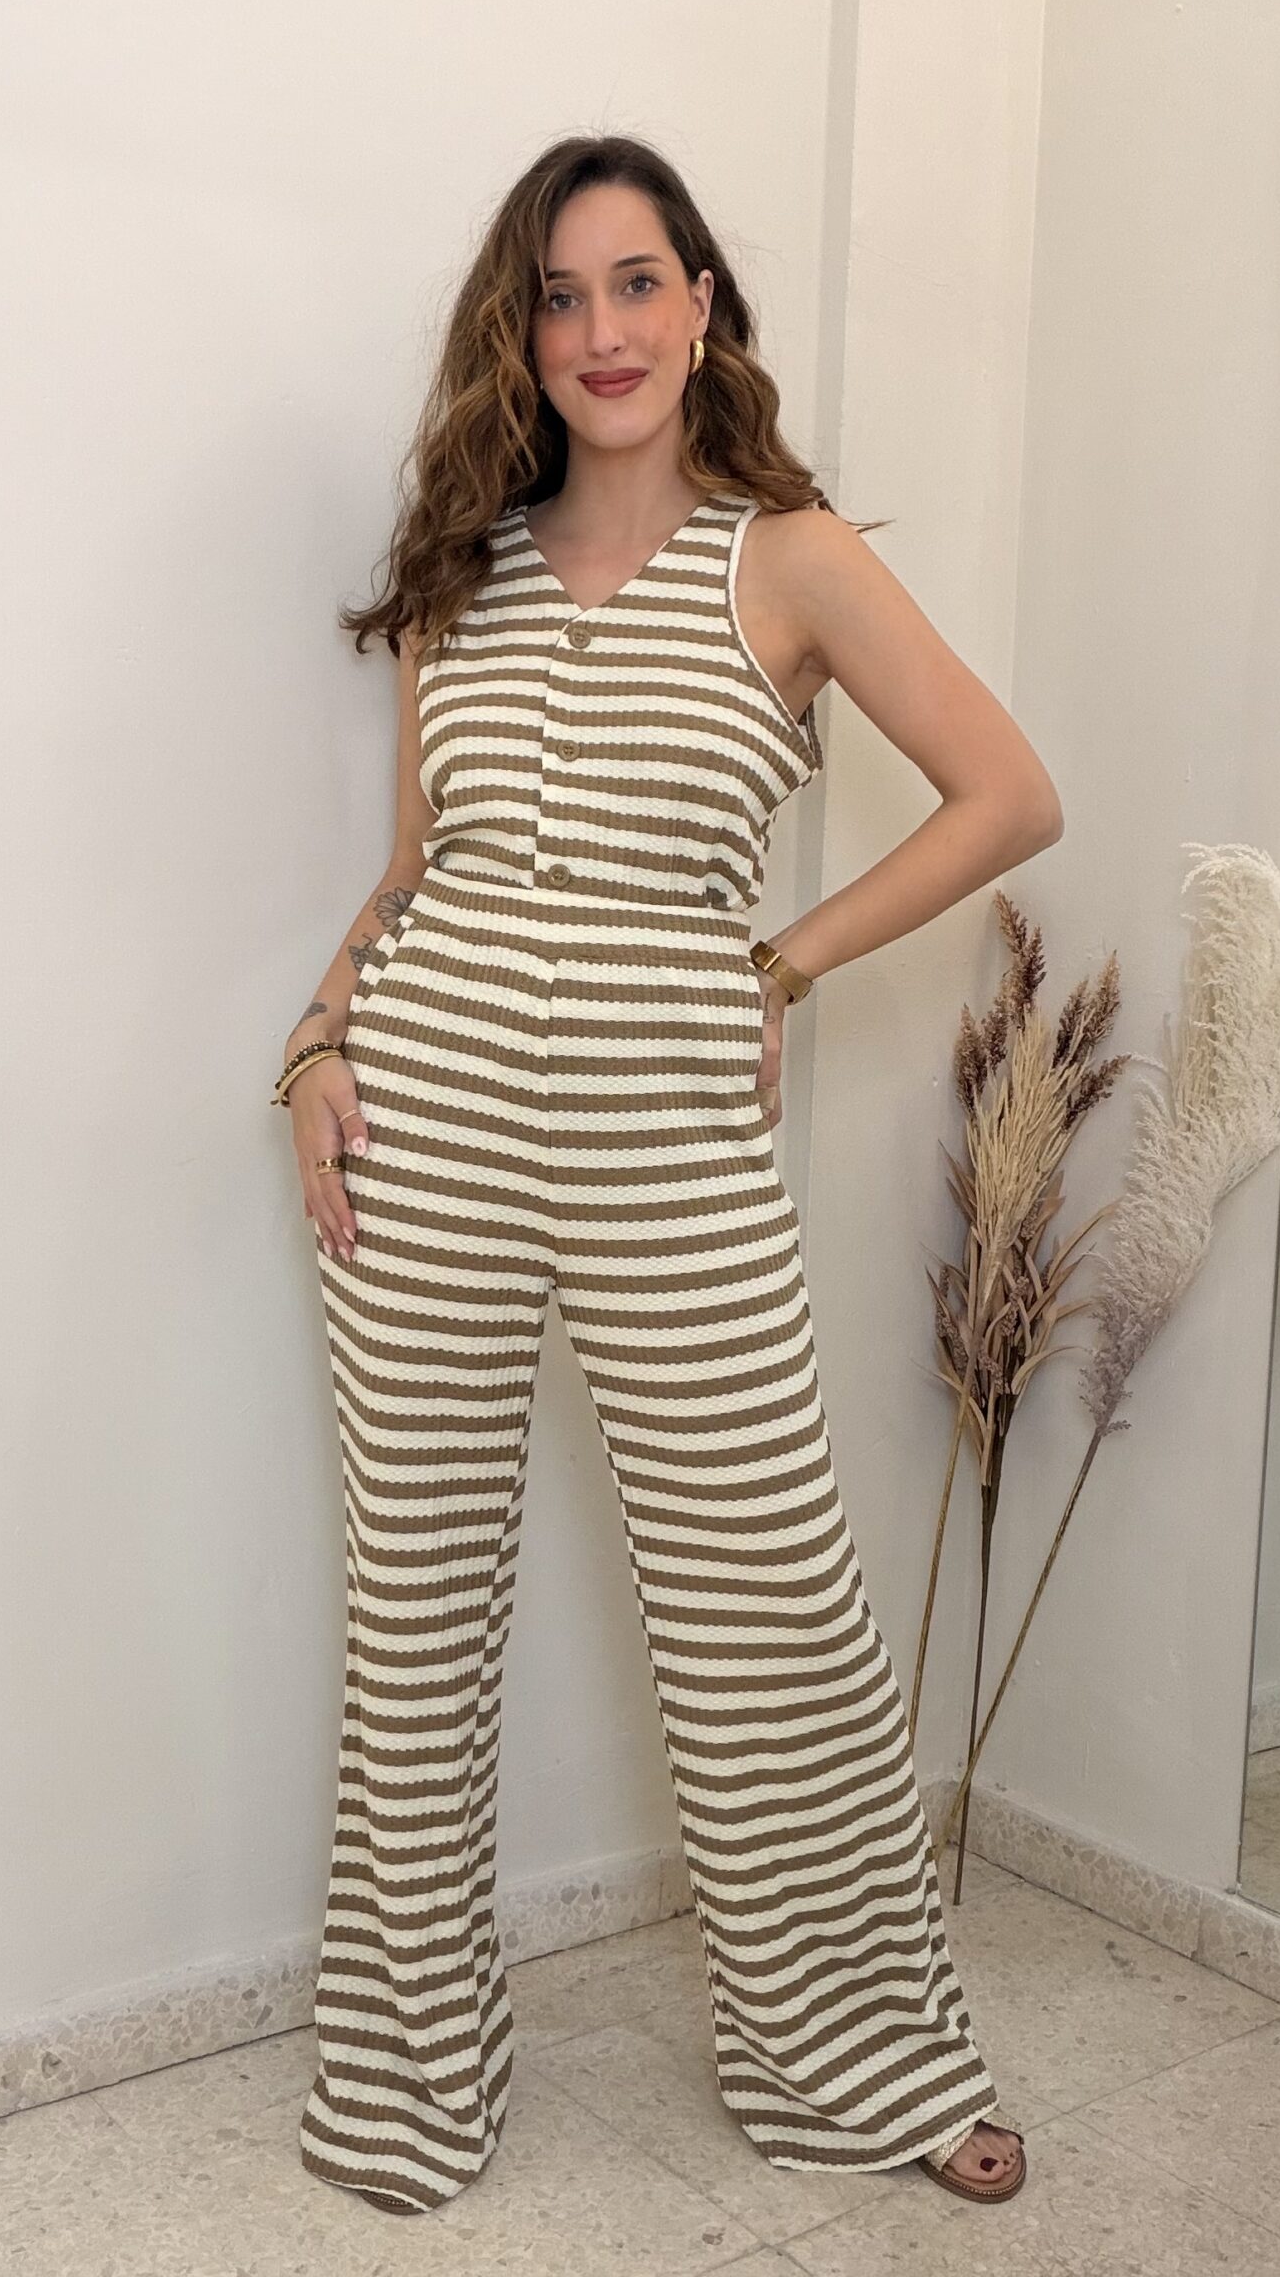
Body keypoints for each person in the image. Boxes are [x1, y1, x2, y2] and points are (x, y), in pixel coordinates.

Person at [276, 133, 1062, 2215]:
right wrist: (316, 1044)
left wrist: (781, 963)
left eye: (636, 283)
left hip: (670, 1136)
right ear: (520, 334)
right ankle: (406, 2081)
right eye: (559, 295)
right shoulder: (464, 576)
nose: (601, 330)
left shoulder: (785, 558)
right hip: (426, 1113)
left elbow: (1010, 793)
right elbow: (409, 877)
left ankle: (862, 2058)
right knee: (412, 1609)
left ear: (702, 304)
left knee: (766, 1598)